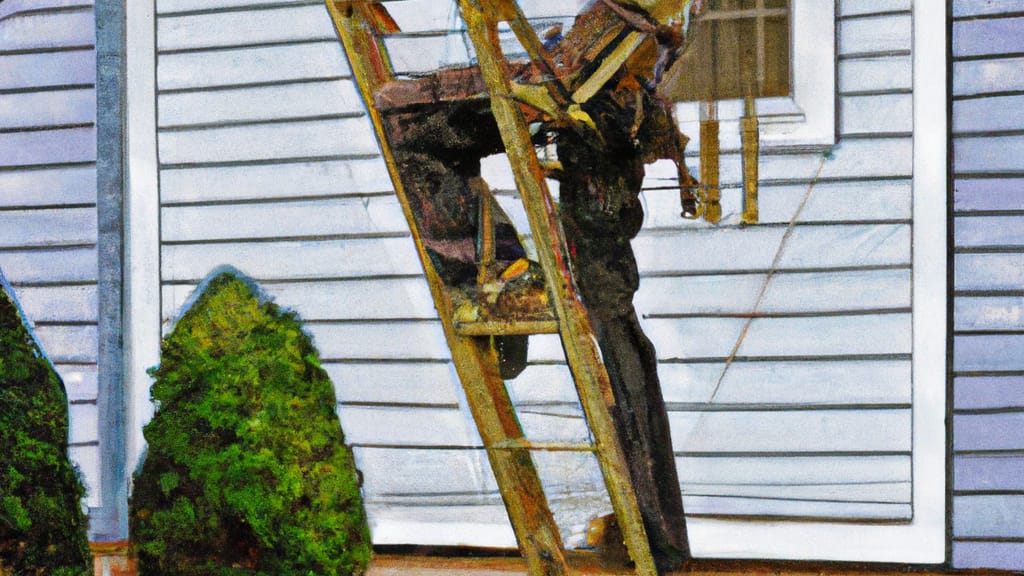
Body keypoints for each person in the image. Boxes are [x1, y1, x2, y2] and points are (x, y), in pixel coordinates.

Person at [376, 1, 698, 571]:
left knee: (404, 117)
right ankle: (658, 540)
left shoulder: (619, 32)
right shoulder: (645, 47)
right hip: (610, 109)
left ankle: (501, 268)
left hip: (589, 89)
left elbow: (610, 42)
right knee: (615, 321)